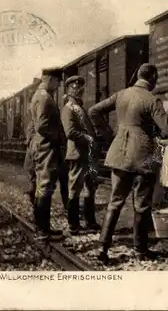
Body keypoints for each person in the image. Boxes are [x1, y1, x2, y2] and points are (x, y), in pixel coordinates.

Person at [88, 63, 168, 263]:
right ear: (152, 79)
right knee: (142, 205)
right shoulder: (151, 99)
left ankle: (102, 248)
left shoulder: (121, 94)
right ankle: (141, 249)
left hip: (120, 153)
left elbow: (93, 111)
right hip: (144, 156)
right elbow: (167, 130)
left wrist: (110, 135)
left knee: (115, 202)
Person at [29, 67, 67, 241]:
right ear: (51, 79)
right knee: (45, 187)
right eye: (58, 81)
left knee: (41, 187)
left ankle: (42, 228)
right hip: (47, 147)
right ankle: (43, 231)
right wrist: (59, 138)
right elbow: (42, 126)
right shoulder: (45, 98)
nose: (58, 85)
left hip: (42, 146)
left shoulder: (38, 95)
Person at [60, 76, 101, 235]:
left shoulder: (78, 107)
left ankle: (90, 222)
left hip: (88, 155)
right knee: (75, 189)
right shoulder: (68, 108)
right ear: (68, 89)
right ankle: (73, 224)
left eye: (80, 87)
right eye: (75, 87)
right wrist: (88, 137)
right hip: (77, 154)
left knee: (90, 189)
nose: (79, 89)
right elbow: (70, 132)